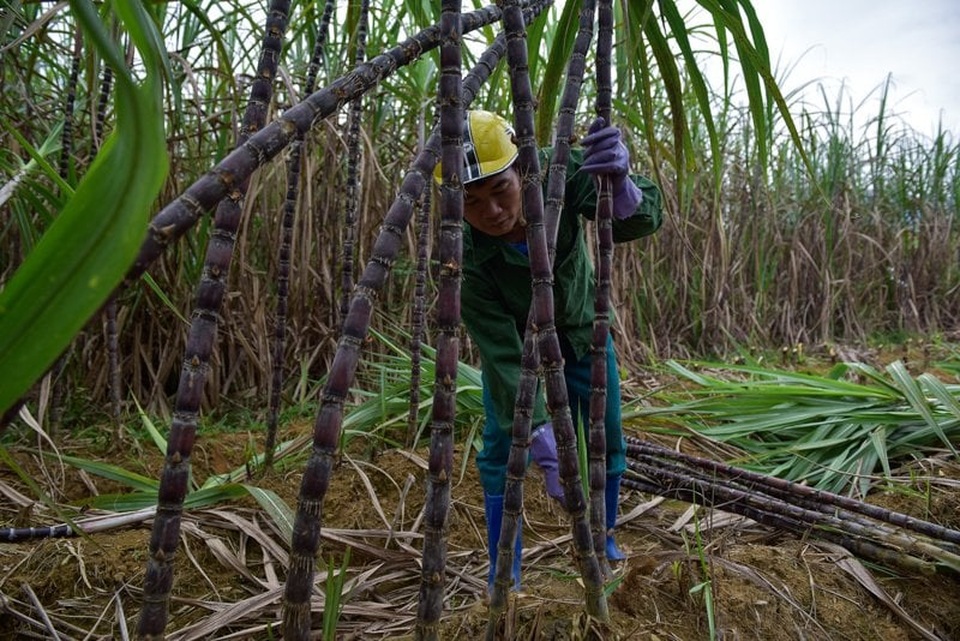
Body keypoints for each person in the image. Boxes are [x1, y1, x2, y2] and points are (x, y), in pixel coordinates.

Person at [436, 110, 663, 591]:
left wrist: (619, 182)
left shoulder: (557, 173)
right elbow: (498, 350)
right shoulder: (464, 256)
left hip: (583, 336)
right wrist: (540, 432)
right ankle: (507, 567)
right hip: (521, 354)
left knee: (607, 439)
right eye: (473, 203)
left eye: (501, 191)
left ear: (523, 170)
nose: (492, 212)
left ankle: (604, 542)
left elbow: (640, 220)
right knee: (502, 453)